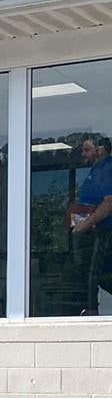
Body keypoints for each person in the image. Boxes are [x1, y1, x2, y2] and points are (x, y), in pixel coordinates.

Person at [70, 134, 112, 314]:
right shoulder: (96, 170)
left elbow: (109, 202)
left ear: (100, 149)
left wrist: (85, 224)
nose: (83, 154)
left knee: (94, 275)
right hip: (95, 232)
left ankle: (91, 314)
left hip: (104, 233)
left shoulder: (106, 168)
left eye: (87, 149)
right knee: (96, 274)